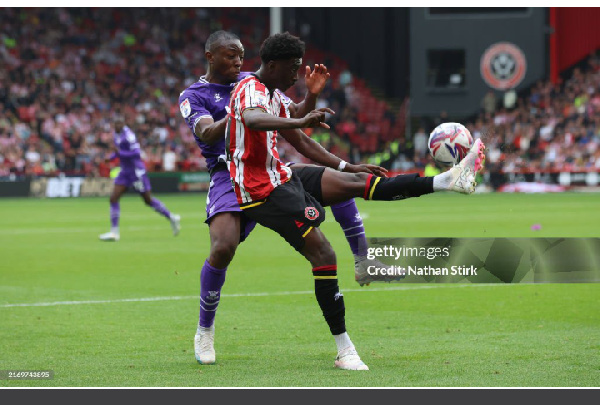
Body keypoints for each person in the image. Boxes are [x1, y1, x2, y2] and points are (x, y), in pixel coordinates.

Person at [227, 32, 486, 370]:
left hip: (282, 175)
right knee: (324, 253)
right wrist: (301, 117)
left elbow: (301, 140)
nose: (296, 74)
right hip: (260, 191)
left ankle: (448, 181)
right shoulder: (249, 89)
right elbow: (254, 120)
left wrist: (344, 162)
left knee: (357, 181)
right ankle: (344, 349)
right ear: (273, 64)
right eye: (293, 68)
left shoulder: (273, 94)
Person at [178, 31, 387, 366]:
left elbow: (294, 118)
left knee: (339, 183)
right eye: (230, 55)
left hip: (267, 168)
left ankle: (362, 257)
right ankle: (205, 329)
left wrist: (310, 96)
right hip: (227, 175)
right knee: (223, 247)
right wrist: (236, 112)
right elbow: (205, 131)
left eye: (241, 55)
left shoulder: (253, 82)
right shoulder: (194, 95)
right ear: (209, 56)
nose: (237, 61)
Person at [98, 118, 181, 241]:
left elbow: (136, 153)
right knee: (113, 198)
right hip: (125, 171)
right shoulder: (116, 134)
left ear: (123, 123)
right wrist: (111, 158)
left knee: (148, 200)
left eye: (118, 123)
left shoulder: (129, 136)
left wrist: (119, 153)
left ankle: (172, 217)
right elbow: (119, 152)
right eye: (114, 124)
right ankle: (114, 233)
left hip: (136, 172)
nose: (115, 126)